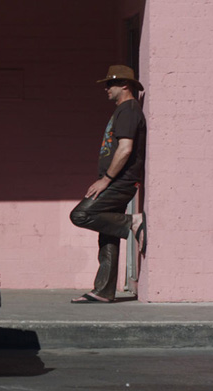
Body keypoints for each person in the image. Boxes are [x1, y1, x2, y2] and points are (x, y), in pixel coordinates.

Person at [70, 65, 147, 304]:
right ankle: (103, 291)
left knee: (81, 215)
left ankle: (133, 222)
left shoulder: (129, 110)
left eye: (110, 84)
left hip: (120, 180)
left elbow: (125, 149)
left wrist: (107, 179)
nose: (106, 89)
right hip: (118, 180)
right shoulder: (123, 110)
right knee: (107, 234)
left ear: (125, 85)